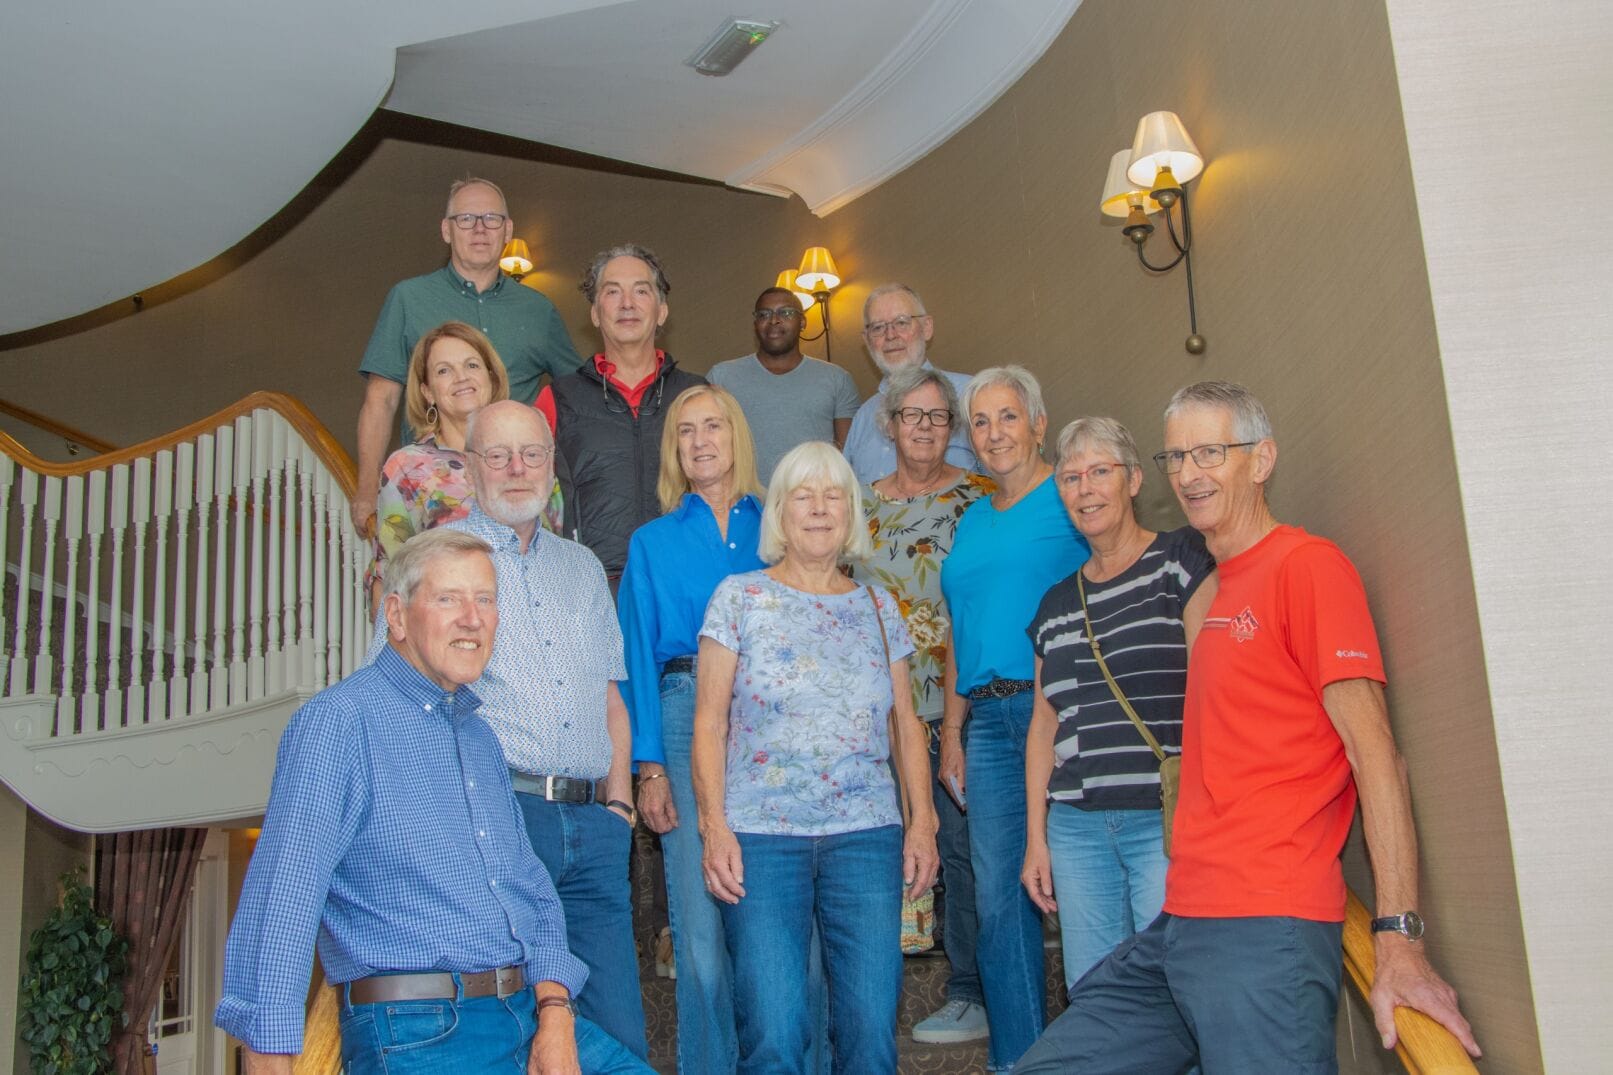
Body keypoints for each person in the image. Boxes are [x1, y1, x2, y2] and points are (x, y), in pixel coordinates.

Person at [1017, 382, 1480, 1072]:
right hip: (1181, 921)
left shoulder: (1307, 566)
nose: (1189, 473)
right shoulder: (1212, 589)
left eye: (1210, 452)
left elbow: (1376, 757)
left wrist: (1398, 937)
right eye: (1176, 456)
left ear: (1261, 459)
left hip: (1266, 924)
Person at [215, 528, 649, 1075]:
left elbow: (530, 890)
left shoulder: (480, 738)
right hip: (418, 1029)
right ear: (395, 617)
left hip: (528, 1014)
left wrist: (557, 1013)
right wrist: (268, 1055)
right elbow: (283, 896)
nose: (473, 618)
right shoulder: (339, 723)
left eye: (486, 599)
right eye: (449, 598)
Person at [364, 400, 648, 1059]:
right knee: (515, 1031)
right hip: (500, 819)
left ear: (553, 466)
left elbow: (611, 694)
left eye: (531, 454)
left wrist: (619, 804)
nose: (516, 468)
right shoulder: (433, 563)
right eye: (497, 454)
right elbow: (397, 702)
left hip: (594, 828)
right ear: (468, 465)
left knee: (618, 1034)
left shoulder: (581, 568)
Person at [692, 441, 940, 1075]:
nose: (821, 509)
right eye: (804, 495)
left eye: (835, 495)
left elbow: (905, 724)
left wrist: (923, 823)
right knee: (774, 1032)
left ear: (852, 513)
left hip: (865, 838)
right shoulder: (737, 597)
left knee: (869, 1036)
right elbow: (710, 722)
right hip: (761, 839)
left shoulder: (880, 607)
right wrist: (713, 824)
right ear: (780, 511)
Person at [1021, 416, 1217, 990]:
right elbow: (1042, 727)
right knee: (1097, 996)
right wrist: (1037, 839)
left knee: (1178, 987)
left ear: (1132, 480)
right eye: (1071, 477)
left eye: (1099, 472)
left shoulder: (1180, 561)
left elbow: (1217, 686)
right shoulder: (1054, 606)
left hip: (1162, 820)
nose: (1085, 489)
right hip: (1077, 829)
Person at [937, 365, 1089, 1071]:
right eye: (980, 421)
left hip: (1058, 713)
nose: (993, 433)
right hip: (988, 724)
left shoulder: (1071, 495)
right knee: (998, 901)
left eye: (1006, 416)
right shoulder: (971, 515)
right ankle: (1019, 1059)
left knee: (1083, 884)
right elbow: (956, 628)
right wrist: (950, 732)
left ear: (1037, 422)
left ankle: (1105, 1052)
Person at [617, 384, 766, 1073]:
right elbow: (634, 659)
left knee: (774, 918)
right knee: (700, 930)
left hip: (769, 719)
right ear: (673, 449)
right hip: (680, 711)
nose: (701, 440)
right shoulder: (650, 542)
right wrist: (647, 767)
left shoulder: (778, 527)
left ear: (736, 435)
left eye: (714, 426)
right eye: (685, 431)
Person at [848, 364, 994, 1045]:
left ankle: (968, 988)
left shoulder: (982, 500)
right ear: (889, 423)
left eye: (939, 416)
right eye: (913, 415)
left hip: (966, 710)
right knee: (877, 855)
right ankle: (872, 993)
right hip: (881, 715)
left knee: (965, 856)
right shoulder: (857, 510)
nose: (926, 428)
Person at [352, 177, 581, 536]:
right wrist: (367, 490)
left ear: (507, 231)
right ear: (446, 230)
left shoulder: (538, 310)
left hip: (516, 491)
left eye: (491, 219)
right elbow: (380, 401)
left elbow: (578, 398)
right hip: (433, 498)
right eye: (466, 219)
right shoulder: (408, 298)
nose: (479, 229)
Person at [535, 244, 705, 584]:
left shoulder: (699, 396)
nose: (627, 304)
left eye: (641, 291)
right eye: (612, 292)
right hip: (590, 588)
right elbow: (533, 498)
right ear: (595, 313)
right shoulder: (557, 398)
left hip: (686, 583)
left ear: (662, 311)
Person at [367, 321, 566, 600]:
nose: (461, 377)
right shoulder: (407, 467)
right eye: (444, 370)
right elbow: (388, 578)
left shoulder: (532, 457)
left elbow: (557, 555)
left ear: (491, 377)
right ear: (427, 392)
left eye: (471, 365)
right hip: (447, 631)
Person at [707, 286, 860, 482]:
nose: (774, 320)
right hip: (744, 506)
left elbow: (849, 458)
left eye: (786, 313)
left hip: (813, 504)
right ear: (755, 324)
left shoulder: (837, 379)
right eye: (764, 314)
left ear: (803, 322)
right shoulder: (722, 377)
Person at [842, 284, 976, 485]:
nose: (891, 335)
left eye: (902, 322)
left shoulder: (971, 395)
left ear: (927, 327)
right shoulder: (863, 416)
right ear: (867, 340)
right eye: (878, 327)